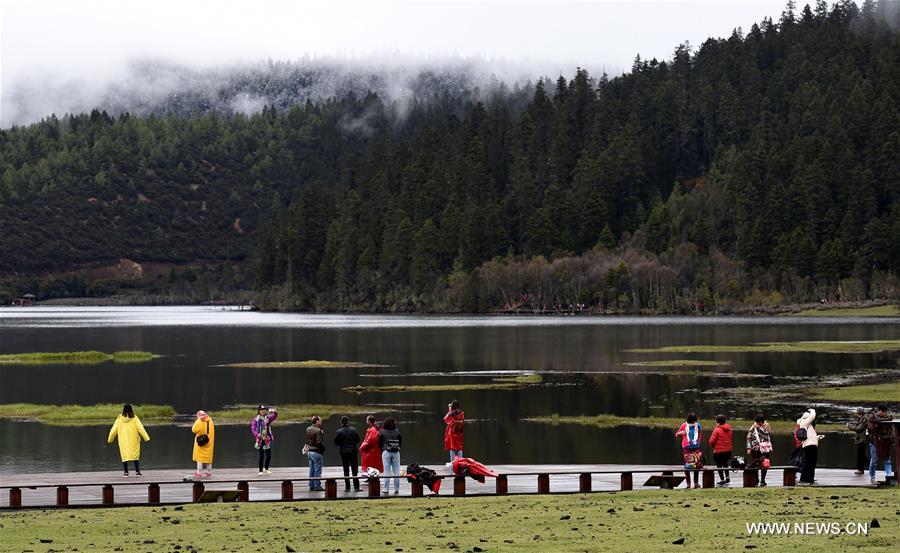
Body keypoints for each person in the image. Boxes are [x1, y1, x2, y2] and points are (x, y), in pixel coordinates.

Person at [107, 404, 150, 477]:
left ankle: (126, 472)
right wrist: (146, 438)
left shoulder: (119, 419)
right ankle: (137, 471)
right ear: (131, 410)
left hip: (123, 440)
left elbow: (113, 430)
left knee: (124, 456)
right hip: (134, 440)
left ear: (123, 410)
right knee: (135, 455)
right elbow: (141, 428)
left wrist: (110, 439)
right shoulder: (135, 418)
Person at [868, 404, 895, 485]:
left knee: (887, 460)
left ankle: (889, 477)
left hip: (885, 440)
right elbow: (870, 428)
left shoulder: (888, 417)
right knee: (874, 461)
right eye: (882, 411)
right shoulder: (872, 417)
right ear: (878, 410)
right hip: (874, 441)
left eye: (884, 412)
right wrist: (878, 424)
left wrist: (892, 439)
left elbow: (891, 429)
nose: (883, 413)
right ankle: (872, 477)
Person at [675, 412, 703, 489]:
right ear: (689, 420)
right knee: (687, 466)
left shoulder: (698, 425)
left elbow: (700, 436)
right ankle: (688, 483)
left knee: (696, 465)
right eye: (692, 421)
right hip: (686, 448)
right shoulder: (684, 425)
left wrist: (698, 443)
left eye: (695, 420)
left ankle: (696, 483)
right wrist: (682, 433)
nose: (694, 422)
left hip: (695, 447)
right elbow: (676, 435)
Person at [797, 408, 824, 485]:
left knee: (812, 463)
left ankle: (810, 479)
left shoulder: (809, 426)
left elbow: (810, 436)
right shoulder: (804, 422)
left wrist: (818, 437)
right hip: (809, 446)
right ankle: (803, 480)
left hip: (812, 446)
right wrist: (812, 410)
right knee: (807, 463)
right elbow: (812, 416)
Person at [334, 416, 361, 491]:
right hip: (353, 452)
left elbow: (336, 442)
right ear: (348, 421)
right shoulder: (354, 430)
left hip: (344, 452)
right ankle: (356, 487)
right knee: (354, 470)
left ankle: (347, 487)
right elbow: (358, 440)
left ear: (341, 422)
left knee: (346, 470)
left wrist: (342, 443)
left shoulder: (339, 432)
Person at [250, 404, 278, 476]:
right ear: (259, 411)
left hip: (267, 439)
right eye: (261, 410)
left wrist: (274, 411)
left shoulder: (268, 418)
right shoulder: (256, 420)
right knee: (261, 455)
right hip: (260, 439)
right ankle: (260, 471)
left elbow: (274, 415)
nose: (263, 411)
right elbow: (253, 429)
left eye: (264, 410)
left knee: (269, 455)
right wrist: (257, 435)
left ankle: (266, 469)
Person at [746, 414, 772, 486]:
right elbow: (748, 437)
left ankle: (763, 480)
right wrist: (748, 447)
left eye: (760, 422)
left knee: (765, 464)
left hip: (765, 448)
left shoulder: (767, 426)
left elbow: (767, 435)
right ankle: (756, 479)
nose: (759, 423)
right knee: (755, 464)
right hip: (755, 449)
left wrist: (760, 428)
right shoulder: (753, 427)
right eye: (757, 422)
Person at [378, 417, 402, 495]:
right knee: (396, 471)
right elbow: (400, 442)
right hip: (396, 452)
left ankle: (386, 489)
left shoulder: (382, 431)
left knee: (387, 471)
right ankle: (397, 489)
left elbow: (379, 443)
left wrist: (382, 449)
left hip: (386, 452)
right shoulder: (397, 431)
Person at [708, 414, 732, 485]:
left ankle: (722, 479)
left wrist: (713, 446)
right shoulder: (729, 429)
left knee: (719, 465)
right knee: (725, 464)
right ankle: (727, 476)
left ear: (717, 422)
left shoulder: (717, 430)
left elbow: (711, 441)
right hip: (728, 450)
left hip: (719, 451)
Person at [191, 410, 215, 478]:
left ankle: (199, 472)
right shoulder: (210, 421)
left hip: (201, 442)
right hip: (209, 442)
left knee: (200, 458)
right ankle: (209, 472)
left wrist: (198, 420)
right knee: (208, 458)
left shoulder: (200, 421)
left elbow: (194, 430)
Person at [305, 415, 325, 491]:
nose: (321, 422)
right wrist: (323, 449)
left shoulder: (308, 429)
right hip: (317, 452)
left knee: (312, 469)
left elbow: (307, 440)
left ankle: (311, 485)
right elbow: (319, 442)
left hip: (309, 452)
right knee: (317, 470)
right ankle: (317, 486)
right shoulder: (318, 430)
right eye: (320, 421)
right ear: (316, 421)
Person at [847, 408, 869, 475]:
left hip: (862, 440)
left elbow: (858, 429)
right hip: (860, 440)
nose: (855, 413)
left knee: (860, 456)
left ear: (859, 413)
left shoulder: (864, 419)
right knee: (861, 455)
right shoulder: (862, 419)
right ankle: (863, 468)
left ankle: (864, 468)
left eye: (856, 412)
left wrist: (849, 426)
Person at [443, 400, 465, 467]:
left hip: (452, 432)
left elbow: (445, 419)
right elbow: (462, 420)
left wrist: (449, 410)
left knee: (452, 447)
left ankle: (452, 462)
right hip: (459, 431)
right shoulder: (461, 413)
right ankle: (460, 461)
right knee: (459, 447)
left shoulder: (451, 413)